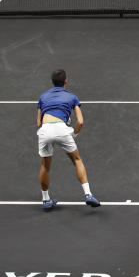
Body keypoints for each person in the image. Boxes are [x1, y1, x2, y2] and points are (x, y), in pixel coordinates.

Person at [37, 69, 100, 211]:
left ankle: (46, 200)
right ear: (65, 82)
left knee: (45, 167)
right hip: (62, 130)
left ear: (52, 82)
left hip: (45, 130)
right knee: (77, 160)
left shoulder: (43, 97)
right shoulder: (72, 97)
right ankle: (88, 195)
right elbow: (80, 122)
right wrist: (73, 135)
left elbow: (39, 123)